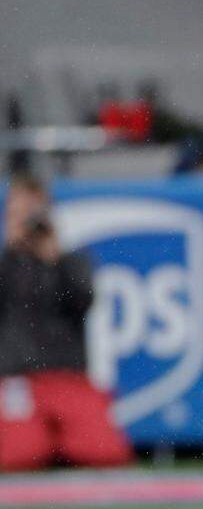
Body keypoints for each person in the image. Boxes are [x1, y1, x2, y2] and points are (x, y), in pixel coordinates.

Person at [0, 174, 133, 471]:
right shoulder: (6, 265)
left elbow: (84, 300)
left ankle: (59, 443)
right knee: (18, 456)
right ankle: (48, 443)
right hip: (18, 381)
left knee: (104, 453)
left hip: (66, 377)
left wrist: (53, 254)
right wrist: (11, 248)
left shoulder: (71, 260)